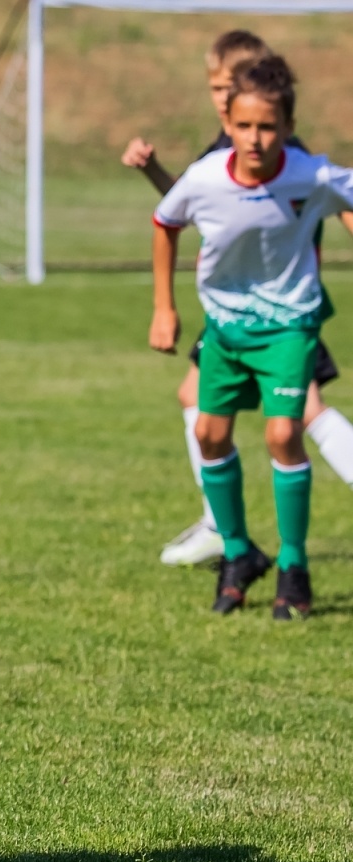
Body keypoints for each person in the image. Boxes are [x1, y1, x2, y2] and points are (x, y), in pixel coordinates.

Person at [124, 30, 353, 567]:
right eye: (215, 88)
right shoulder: (227, 146)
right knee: (202, 405)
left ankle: (222, 528)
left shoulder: (285, 151)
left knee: (300, 419)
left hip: (282, 310)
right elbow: (191, 201)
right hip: (235, 306)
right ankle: (221, 526)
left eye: (229, 85)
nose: (221, 97)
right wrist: (154, 172)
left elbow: (334, 195)